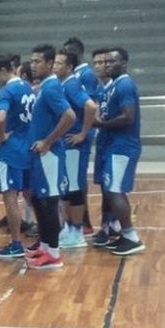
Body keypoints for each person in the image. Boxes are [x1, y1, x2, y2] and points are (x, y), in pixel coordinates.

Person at [25, 44, 76, 270]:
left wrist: (48, 141)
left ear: (49, 63)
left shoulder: (52, 87)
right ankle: (45, 246)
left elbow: (69, 116)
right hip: (40, 155)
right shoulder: (44, 87)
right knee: (39, 200)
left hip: (50, 155)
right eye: (32, 61)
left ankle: (54, 254)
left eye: (38, 61)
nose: (33, 65)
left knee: (48, 202)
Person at [95, 47, 145, 255]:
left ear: (124, 63)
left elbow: (128, 117)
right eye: (105, 62)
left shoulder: (124, 84)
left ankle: (132, 236)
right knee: (110, 189)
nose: (107, 65)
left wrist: (101, 124)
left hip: (123, 145)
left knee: (115, 190)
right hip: (112, 145)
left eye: (112, 62)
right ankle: (123, 234)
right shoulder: (110, 86)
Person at [0, 54, 35, 258]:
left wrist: (2, 134)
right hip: (28, 148)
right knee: (31, 196)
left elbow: (3, 117)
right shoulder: (27, 86)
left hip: (11, 152)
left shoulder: (7, 90)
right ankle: (43, 236)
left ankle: (16, 243)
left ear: (4, 70)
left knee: (10, 198)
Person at [53, 49, 98, 249]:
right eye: (54, 63)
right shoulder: (63, 84)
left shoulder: (71, 84)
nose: (55, 66)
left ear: (69, 67)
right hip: (65, 143)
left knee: (74, 187)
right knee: (67, 187)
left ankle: (78, 231)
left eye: (59, 63)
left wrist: (82, 133)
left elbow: (90, 106)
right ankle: (70, 228)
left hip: (74, 144)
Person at [63, 36, 99, 234]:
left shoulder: (85, 75)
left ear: (75, 53)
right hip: (69, 135)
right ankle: (75, 223)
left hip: (78, 135)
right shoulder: (72, 76)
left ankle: (83, 223)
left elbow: (90, 105)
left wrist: (84, 132)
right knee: (71, 180)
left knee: (76, 180)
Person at [90, 49, 122, 246]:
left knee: (113, 187)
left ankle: (116, 225)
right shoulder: (101, 89)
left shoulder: (117, 87)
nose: (101, 66)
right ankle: (106, 225)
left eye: (104, 62)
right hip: (103, 143)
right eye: (97, 63)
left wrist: (99, 122)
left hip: (115, 144)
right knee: (104, 187)